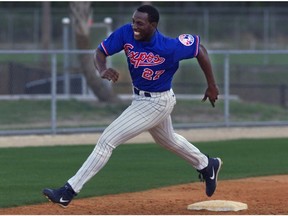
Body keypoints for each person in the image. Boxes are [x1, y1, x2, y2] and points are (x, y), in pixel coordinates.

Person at [43, 4, 222, 208]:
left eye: (140, 23)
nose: (134, 26)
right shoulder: (127, 34)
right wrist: (101, 69)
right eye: (133, 21)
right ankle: (207, 164)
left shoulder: (169, 47)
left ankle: (68, 191)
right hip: (140, 99)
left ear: (153, 25)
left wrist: (212, 85)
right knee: (168, 140)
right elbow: (100, 52)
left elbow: (199, 49)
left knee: (106, 141)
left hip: (157, 102)